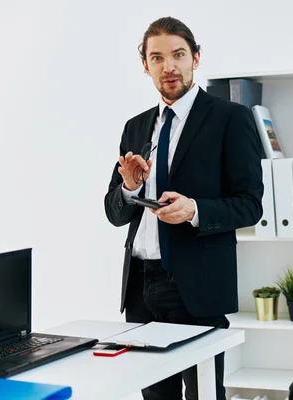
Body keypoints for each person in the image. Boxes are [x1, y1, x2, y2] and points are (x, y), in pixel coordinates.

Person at [104, 16, 264, 400]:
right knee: (155, 397)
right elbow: (114, 212)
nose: (168, 66)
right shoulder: (136, 127)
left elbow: (250, 205)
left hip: (195, 285)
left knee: (204, 395)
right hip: (141, 286)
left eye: (178, 54)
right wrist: (130, 187)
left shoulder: (230, 118)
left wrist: (194, 210)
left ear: (196, 57)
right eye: (157, 58)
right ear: (146, 66)